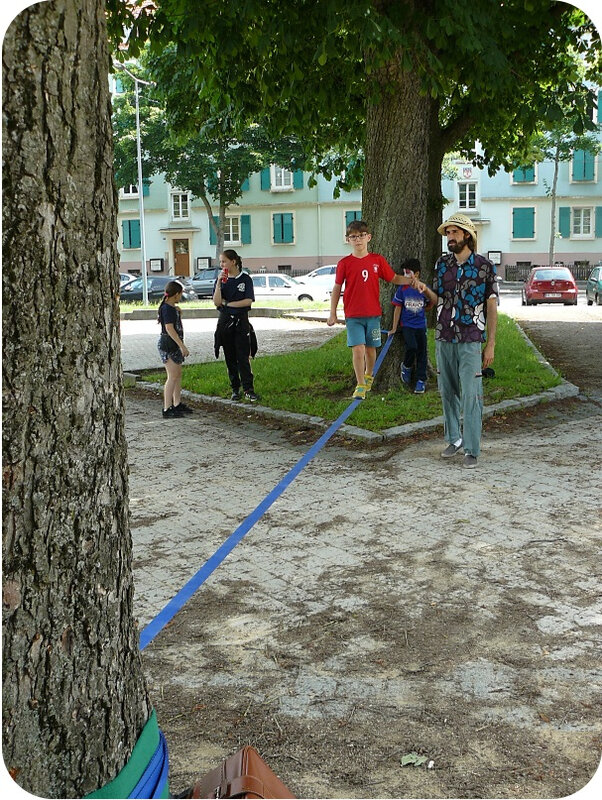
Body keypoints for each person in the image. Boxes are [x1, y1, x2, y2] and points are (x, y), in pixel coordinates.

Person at [433, 213, 499, 468]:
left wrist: (490, 343)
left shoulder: (484, 266)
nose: (449, 237)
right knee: (447, 391)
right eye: (447, 233)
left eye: (454, 232)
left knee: (472, 395)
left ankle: (472, 448)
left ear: (467, 235)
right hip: (444, 336)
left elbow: (491, 306)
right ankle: (454, 439)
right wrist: (421, 289)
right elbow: (436, 297)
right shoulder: (441, 264)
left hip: (471, 337)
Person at [327, 219, 415, 399]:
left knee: (370, 348)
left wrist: (411, 281)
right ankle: (360, 384)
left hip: (373, 314)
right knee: (358, 349)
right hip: (353, 315)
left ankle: (369, 375)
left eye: (361, 236)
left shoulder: (377, 260)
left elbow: (393, 278)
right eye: (353, 237)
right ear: (348, 240)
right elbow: (337, 288)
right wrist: (332, 313)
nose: (357, 240)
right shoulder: (344, 263)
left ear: (368, 237)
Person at [213, 249, 259, 402]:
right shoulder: (221, 280)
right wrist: (219, 284)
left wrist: (230, 304)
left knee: (243, 356)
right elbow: (217, 302)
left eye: (224, 261)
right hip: (225, 322)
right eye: (220, 262)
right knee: (230, 356)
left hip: (241, 322)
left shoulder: (245, 279)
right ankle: (235, 388)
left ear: (233, 262)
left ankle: (248, 389)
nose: (222, 265)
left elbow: (248, 301)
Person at [389, 258, 437, 394]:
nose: (405, 276)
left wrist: (423, 308)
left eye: (408, 273)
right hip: (407, 325)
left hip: (421, 326)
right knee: (412, 346)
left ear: (416, 274)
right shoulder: (402, 290)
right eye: (403, 273)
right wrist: (394, 327)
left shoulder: (422, 288)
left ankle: (421, 380)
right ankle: (407, 366)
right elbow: (397, 308)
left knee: (422, 352)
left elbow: (429, 303)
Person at [157, 280, 192, 418]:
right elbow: (169, 329)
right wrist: (182, 345)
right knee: (172, 377)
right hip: (168, 345)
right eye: (180, 294)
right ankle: (167, 407)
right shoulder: (167, 309)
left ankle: (177, 403)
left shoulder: (171, 308)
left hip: (173, 345)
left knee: (177, 375)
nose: (181, 297)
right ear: (176, 294)